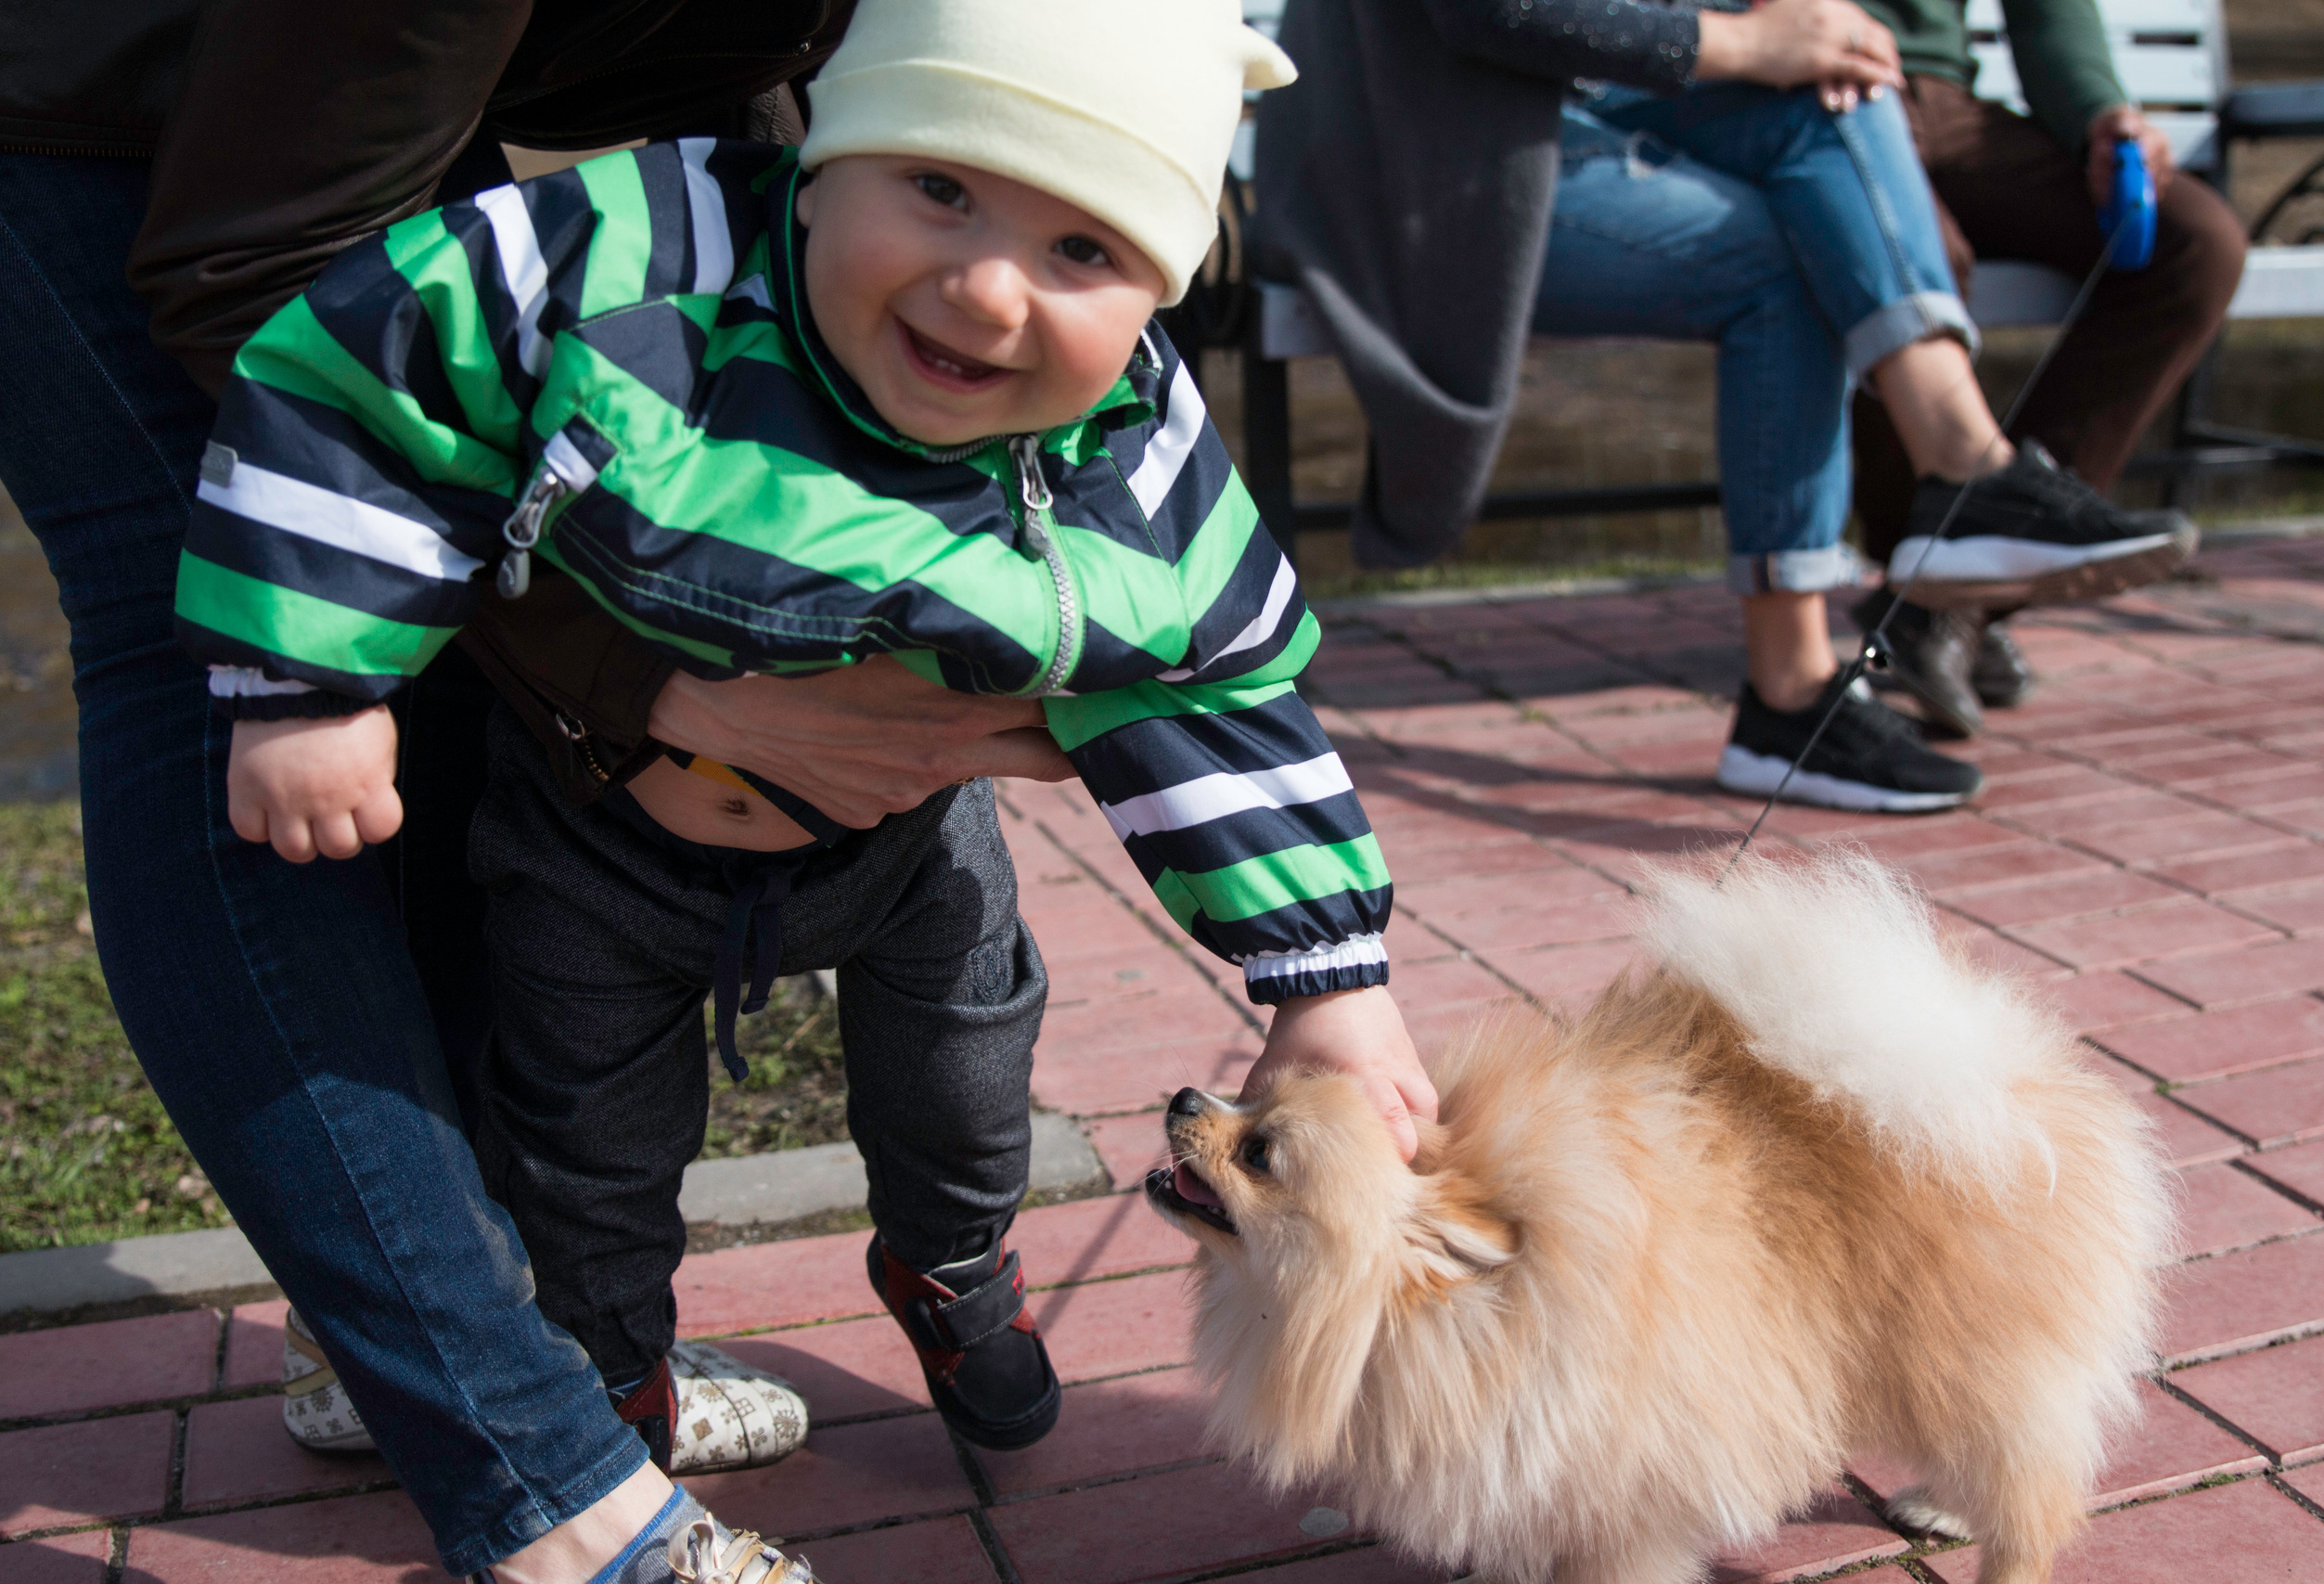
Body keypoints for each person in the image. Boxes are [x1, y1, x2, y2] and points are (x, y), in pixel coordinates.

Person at [174, 0, 1430, 1556]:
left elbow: (1215, 670)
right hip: (604, 842)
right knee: (589, 1152)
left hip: (905, 845)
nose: (984, 289)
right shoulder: (652, 255)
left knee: (974, 1069)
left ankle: (954, 1258)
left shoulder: (1128, 430)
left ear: (1163, 290)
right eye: (941, 187)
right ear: (820, 156)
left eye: (1084, 254)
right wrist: (314, 684)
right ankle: (609, 1388)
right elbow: (365, 369)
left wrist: (1324, 972)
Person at [0, 4, 1103, 1581]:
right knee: (229, 648)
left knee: (437, 632)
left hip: (351, 88)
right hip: (94, 111)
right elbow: (257, 283)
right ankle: (551, 1496)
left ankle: (433, 1356)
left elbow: (757, 126)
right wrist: (655, 668)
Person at [1255, 0, 2196, 813]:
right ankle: (1928, 527)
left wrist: (1806, 36)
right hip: (1418, 165)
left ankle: (1931, 519)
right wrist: (1751, 45)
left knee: (1835, 81)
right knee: (1776, 250)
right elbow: (1494, 11)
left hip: (1544, 124)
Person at [1843, 0, 2250, 737]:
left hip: (1953, 106)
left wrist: (2100, 112)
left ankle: (1947, 600)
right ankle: (1937, 591)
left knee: (2197, 243)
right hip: (1826, 84)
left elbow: (2048, 12)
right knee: (1914, 255)